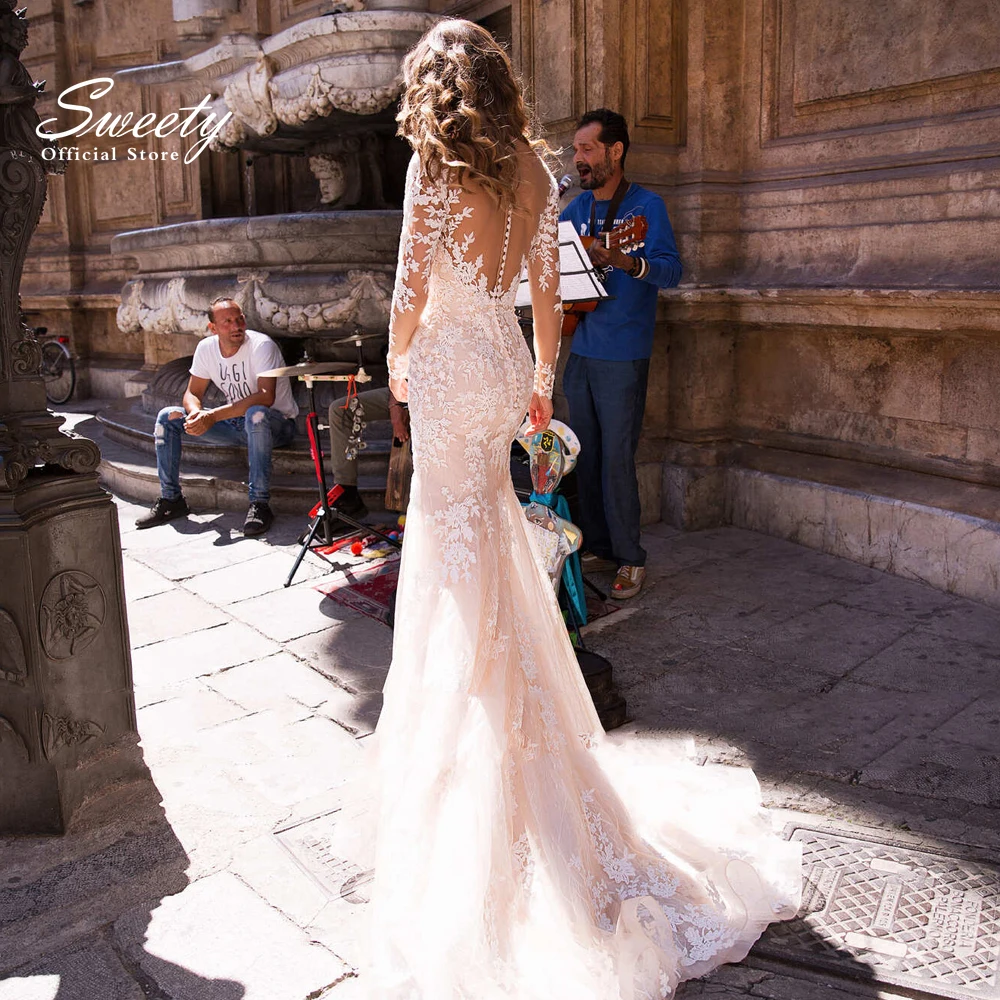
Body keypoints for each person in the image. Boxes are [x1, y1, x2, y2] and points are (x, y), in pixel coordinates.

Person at [364, 19, 800, 1000]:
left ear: (434, 91)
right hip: (505, 363)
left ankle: (473, 761)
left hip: (443, 369)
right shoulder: (531, 170)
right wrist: (540, 382)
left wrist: (395, 368)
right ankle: (517, 740)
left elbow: (405, 291)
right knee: (492, 552)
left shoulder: (432, 169)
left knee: (452, 557)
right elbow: (547, 290)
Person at [560, 109, 682, 600]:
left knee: (616, 461)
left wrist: (626, 260)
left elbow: (671, 272)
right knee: (583, 459)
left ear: (616, 151)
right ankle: (599, 544)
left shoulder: (647, 207)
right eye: (576, 150)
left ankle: (631, 558)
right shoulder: (574, 210)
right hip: (580, 349)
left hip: (623, 354)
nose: (578, 159)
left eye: (587, 149)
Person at [135, 298, 298, 537]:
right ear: (213, 328)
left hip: (277, 425)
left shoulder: (261, 345)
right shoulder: (206, 348)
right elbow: (192, 392)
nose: (237, 326)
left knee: (255, 413)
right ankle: (171, 500)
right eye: (228, 322)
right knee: (167, 416)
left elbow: (266, 396)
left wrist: (212, 416)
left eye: (239, 319)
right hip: (235, 424)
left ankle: (259, 504)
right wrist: (196, 414)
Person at [327, 387, 410, 519]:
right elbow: (400, 371)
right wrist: (396, 406)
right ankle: (347, 495)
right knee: (340, 410)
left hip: (441, 391)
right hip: (407, 389)